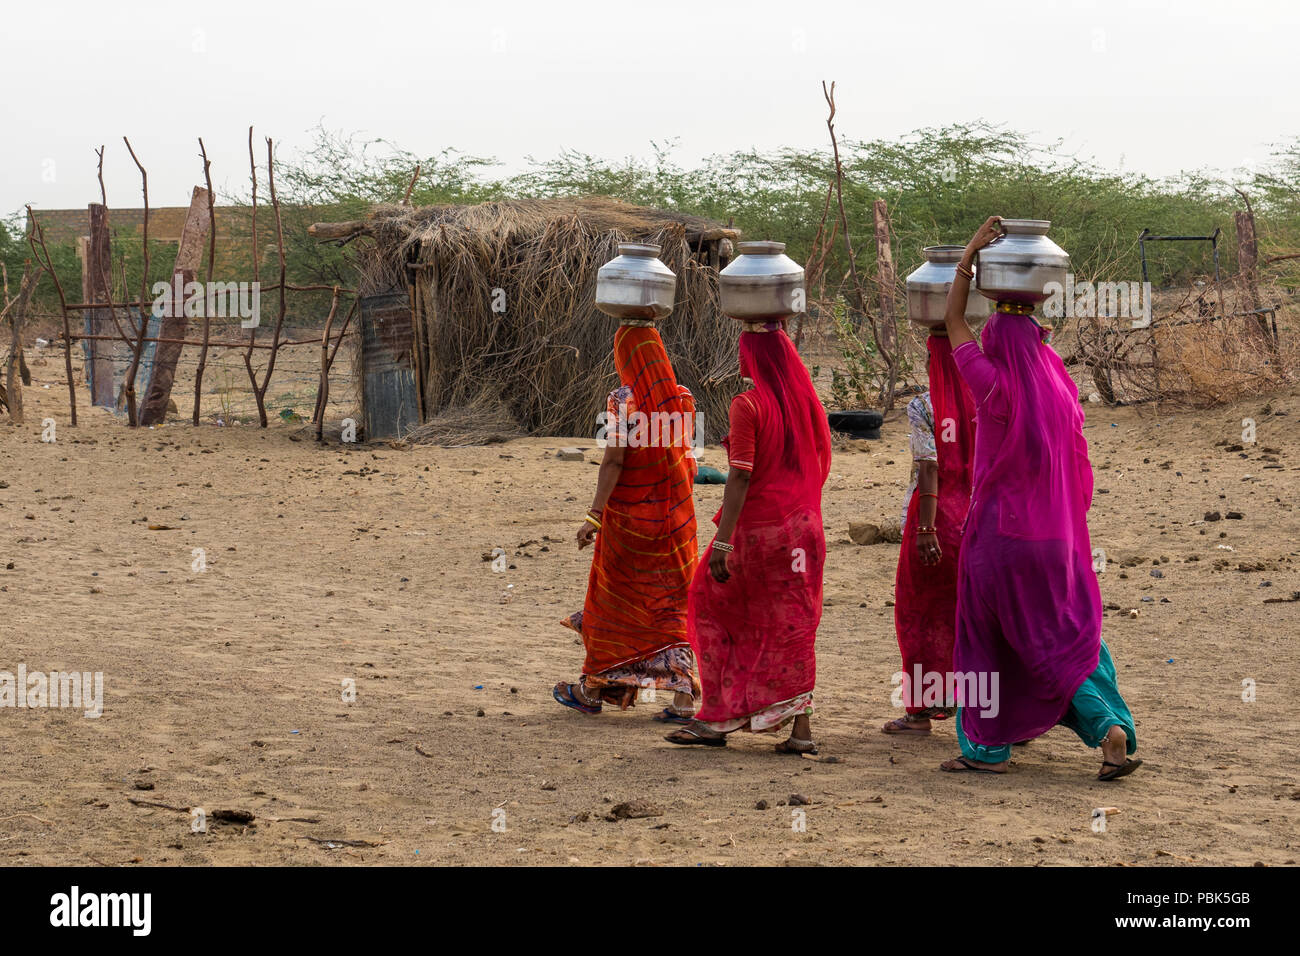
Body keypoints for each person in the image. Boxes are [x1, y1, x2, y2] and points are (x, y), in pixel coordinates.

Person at [937, 217, 1141, 780]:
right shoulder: (1058, 383)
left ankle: (986, 747)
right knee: (1069, 633)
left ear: (996, 344)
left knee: (985, 634)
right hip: (1059, 538)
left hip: (1002, 538)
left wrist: (969, 256)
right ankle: (1109, 729)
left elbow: (952, 320)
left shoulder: (990, 381)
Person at [665, 320, 832, 754]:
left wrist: (723, 540)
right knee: (793, 623)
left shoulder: (749, 404)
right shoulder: (805, 403)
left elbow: (740, 474)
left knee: (708, 604)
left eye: (744, 349)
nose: (739, 356)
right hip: (806, 528)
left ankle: (721, 717)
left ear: (754, 357)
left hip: (763, 532)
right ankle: (800, 731)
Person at [552, 321, 701, 722]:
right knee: (671, 608)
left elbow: (614, 459)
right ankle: (683, 700)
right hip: (676, 524)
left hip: (631, 524)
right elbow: (688, 460)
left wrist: (594, 515)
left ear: (625, 357)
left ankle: (591, 689)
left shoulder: (621, 400)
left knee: (611, 604)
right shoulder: (683, 398)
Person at [882, 330, 977, 736]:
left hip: (936, 521)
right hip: (979, 520)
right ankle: (986, 712)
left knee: (919, 616)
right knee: (973, 618)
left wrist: (925, 527)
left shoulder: (923, 405)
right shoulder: (986, 401)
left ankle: (920, 712)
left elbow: (929, 465)